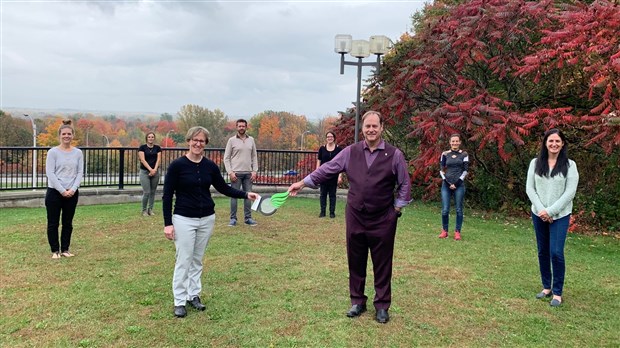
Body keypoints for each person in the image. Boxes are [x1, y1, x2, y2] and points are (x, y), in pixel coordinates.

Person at [288, 111, 411, 324]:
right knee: (355, 259)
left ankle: (382, 305)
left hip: (383, 218)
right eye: (367, 126)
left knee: (382, 263)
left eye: (375, 126)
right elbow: (327, 169)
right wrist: (302, 182)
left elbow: (405, 184)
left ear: (382, 128)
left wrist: (397, 209)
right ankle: (357, 301)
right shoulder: (350, 152)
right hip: (355, 216)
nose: (371, 130)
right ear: (362, 129)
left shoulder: (394, 155)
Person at [163, 126, 258, 318]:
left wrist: (246, 194)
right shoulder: (177, 166)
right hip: (183, 219)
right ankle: (179, 301)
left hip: (207, 218)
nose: (198, 144)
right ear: (189, 141)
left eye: (202, 141)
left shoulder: (210, 166)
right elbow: (167, 196)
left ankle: (193, 295)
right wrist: (168, 223)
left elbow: (224, 188)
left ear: (205, 144)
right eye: (195, 140)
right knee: (184, 259)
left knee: (197, 259)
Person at [526, 128, 579, 307]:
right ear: (545, 143)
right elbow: (530, 189)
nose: (554, 144)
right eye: (551, 141)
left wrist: (551, 211)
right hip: (538, 214)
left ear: (562, 143)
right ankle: (546, 287)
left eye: (557, 141)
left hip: (560, 215)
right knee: (543, 251)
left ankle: (557, 292)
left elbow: (570, 192)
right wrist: (542, 210)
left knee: (556, 252)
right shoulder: (535, 163)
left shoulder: (570, 165)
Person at [45, 120, 84, 259]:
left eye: (69, 133)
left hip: (72, 192)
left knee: (68, 223)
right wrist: (62, 190)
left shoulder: (78, 153)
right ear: (59, 135)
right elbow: (50, 173)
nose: (66, 136)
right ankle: (55, 251)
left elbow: (79, 172)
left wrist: (73, 189)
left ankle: (65, 249)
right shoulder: (53, 152)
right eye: (64, 134)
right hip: (55, 192)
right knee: (53, 223)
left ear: (72, 135)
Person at [224, 118, 259, 227]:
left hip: (248, 173)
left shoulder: (251, 140)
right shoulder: (231, 140)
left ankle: (248, 218)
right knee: (234, 196)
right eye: (239, 126)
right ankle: (233, 219)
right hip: (235, 174)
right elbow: (226, 158)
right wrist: (230, 172)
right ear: (236, 127)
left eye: (243, 126)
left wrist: (254, 171)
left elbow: (254, 156)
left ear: (246, 127)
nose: (241, 128)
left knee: (248, 196)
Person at [438, 134, 469, 240]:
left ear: (460, 142)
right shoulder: (445, 154)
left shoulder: (464, 154)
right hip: (446, 185)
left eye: (457, 141)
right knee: (445, 210)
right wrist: (447, 183)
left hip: (459, 185)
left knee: (459, 210)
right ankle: (445, 231)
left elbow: (465, 170)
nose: (455, 143)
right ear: (450, 142)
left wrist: (457, 183)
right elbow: (441, 170)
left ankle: (457, 232)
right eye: (453, 141)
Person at [316, 131, 343, 218]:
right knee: (323, 194)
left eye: (331, 136)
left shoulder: (339, 149)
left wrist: (340, 175)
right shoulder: (322, 149)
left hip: (334, 175)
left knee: (332, 194)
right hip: (323, 175)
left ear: (334, 138)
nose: (329, 138)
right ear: (326, 138)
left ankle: (332, 212)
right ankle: (322, 212)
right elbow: (319, 161)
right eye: (328, 137)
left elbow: (341, 163)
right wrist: (317, 173)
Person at [138, 132, 162, 216]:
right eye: (149, 137)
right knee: (147, 192)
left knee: (152, 192)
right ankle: (144, 210)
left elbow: (158, 159)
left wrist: (154, 170)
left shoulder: (158, 148)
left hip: (155, 172)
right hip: (144, 172)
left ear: (154, 138)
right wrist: (150, 170)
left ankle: (150, 209)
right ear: (146, 138)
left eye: (152, 137)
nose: (151, 138)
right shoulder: (142, 148)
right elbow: (143, 160)